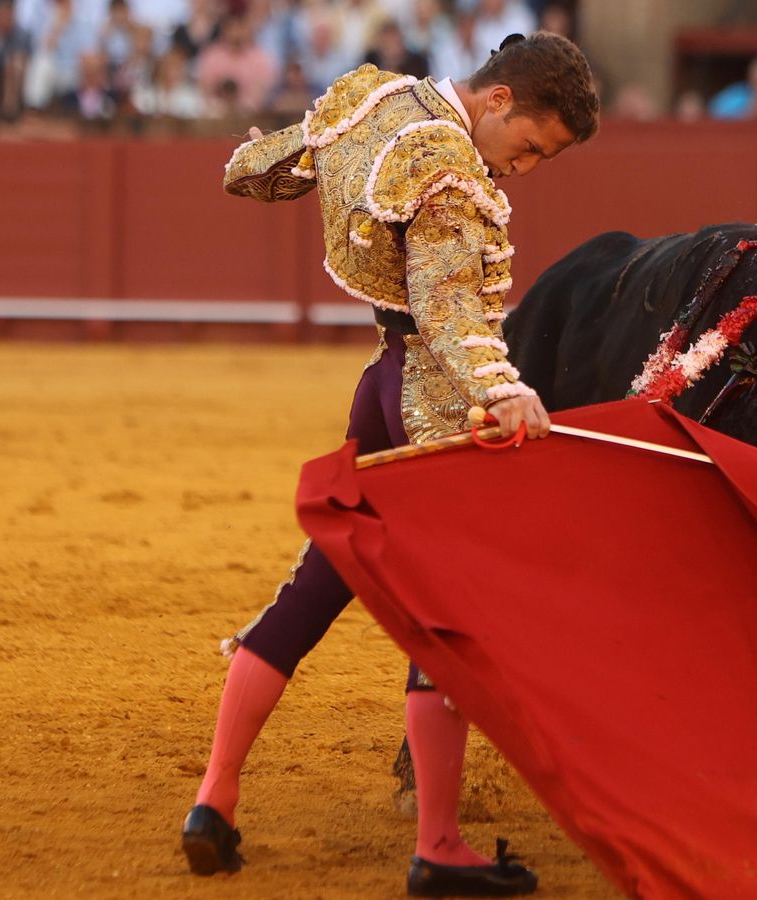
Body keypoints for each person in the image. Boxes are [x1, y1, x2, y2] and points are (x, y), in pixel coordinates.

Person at [184, 32, 600, 898]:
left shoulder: (372, 99)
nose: (523, 169)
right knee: (448, 620)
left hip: (380, 384)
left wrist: (330, 159)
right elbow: (451, 317)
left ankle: (214, 800)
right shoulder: (447, 166)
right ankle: (439, 845)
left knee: (317, 587)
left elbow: (253, 169)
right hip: (434, 404)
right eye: (530, 147)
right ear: (497, 102)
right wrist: (506, 389)